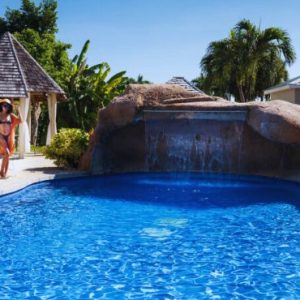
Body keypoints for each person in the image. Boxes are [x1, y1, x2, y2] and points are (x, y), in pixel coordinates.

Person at [0, 99, 22, 178]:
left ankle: (5, 173)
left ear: (9, 107)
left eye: (7, 105)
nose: (4, 107)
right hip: (1, 136)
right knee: (7, 152)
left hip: (8, 136)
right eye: (3, 105)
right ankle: (1, 171)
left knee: (7, 155)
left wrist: (19, 111)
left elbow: (20, 121)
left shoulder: (11, 115)